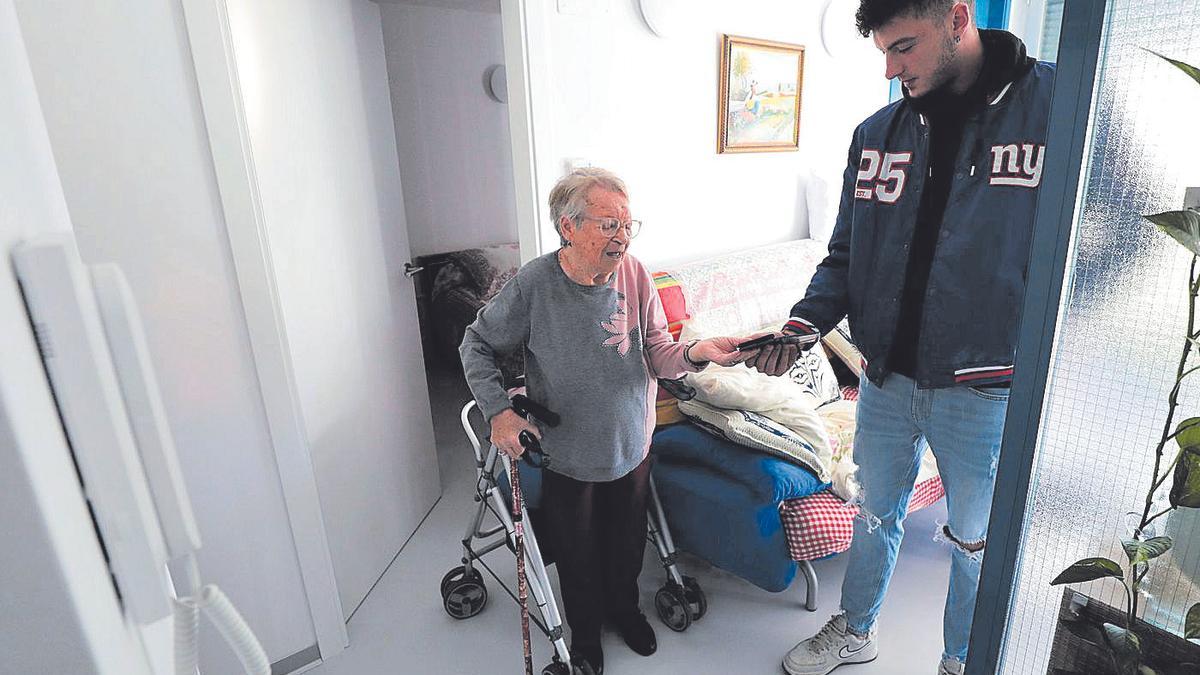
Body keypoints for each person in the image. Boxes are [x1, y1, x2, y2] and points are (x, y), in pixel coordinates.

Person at [746, 2, 1054, 674]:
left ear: (957, 18)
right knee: (874, 514)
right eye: (883, 53)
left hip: (986, 385)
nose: (890, 69)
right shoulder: (877, 132)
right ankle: (857, 629)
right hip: (884, 376)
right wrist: (803, 326)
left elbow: (1092, 237)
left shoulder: (1053, 107)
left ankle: (962, 660)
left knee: (977, 541)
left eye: (904, 48)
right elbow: (845, 255)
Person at [459, 168, 747, 675]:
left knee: (627, 540)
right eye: (608, 224)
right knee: (576, 550)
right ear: (568, 227)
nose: (623, 235)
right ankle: (585, 634)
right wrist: (498, 412)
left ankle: (626, 611)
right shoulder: (534, 284)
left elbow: (657, 351)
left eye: (628, 223)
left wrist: (697, 353)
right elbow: (475, 344)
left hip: (631, 442)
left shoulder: (635, 273)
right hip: (569, 451)